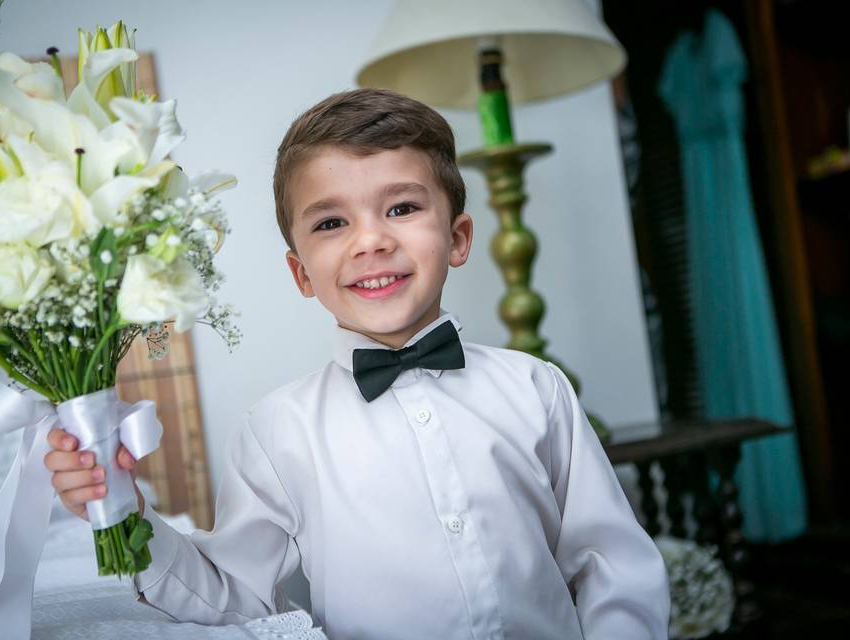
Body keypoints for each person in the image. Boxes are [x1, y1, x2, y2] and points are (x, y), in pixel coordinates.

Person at [43, 88, 670, 639]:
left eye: (402, 208)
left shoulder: (536, 387)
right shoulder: (275, 431)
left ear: (457, 238)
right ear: (301, 273)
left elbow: (611, 565)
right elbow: (237, 598)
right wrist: (123, 511)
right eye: (332, 222)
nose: (371, 241)